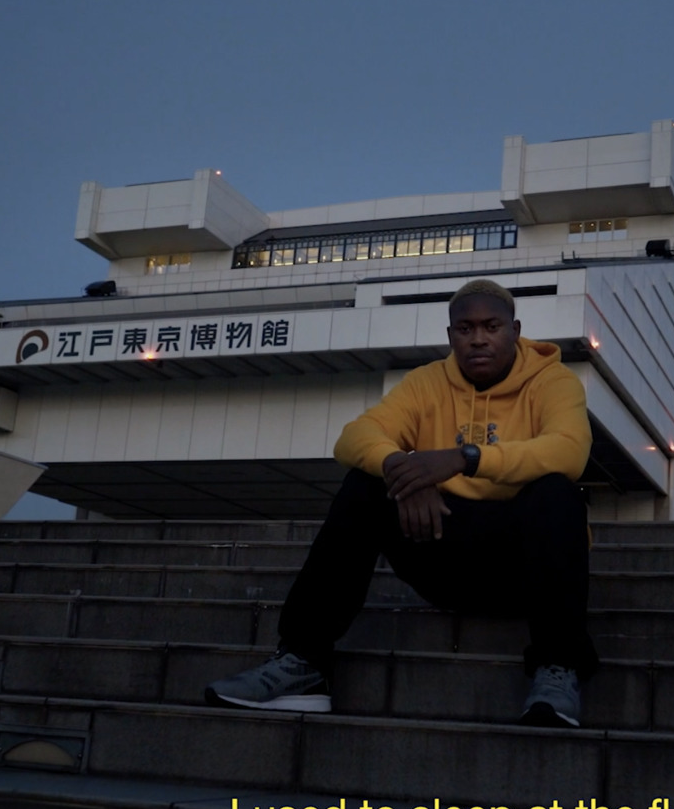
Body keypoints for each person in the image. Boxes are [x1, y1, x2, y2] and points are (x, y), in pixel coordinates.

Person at [204, 278, 598, 727]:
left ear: (515, 329)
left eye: (491, 326)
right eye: (465, 329)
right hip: (440, 548)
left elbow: (569, 451)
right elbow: (353, 438)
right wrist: (404, 471)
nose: (478, 338)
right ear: (451, 336)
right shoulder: (426, 382)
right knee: (365, 483)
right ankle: (304, 665)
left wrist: (462, 459)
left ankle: (557, 668)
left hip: (525, 569)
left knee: (558, 492)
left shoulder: (553, 380)